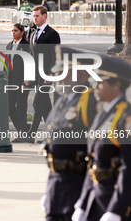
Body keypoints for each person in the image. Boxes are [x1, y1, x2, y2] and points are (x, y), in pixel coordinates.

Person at [72, 55, 131, 221]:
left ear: (117, 84)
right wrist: (82, 204)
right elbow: (92, 163)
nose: (95, 86)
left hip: (114, 201)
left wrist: (116, 210)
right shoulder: (102, 115)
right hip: (96, 198)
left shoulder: (125, 118)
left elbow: (128, 169)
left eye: (100, 82)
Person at [42, 47, 97, 221]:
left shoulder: (91, 102)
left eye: (63, 70)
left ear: (80, 72)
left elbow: (98, 154)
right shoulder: (65, 99)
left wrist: (85, 200)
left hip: (77, 188)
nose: (58, 73)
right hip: (57, 188)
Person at [25, 5, 61, 142]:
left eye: (37, 16)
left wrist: (51, 75)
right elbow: (30, 55)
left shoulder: (52, 34)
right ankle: (54, 135)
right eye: (33, 16)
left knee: (37, 102)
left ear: (44, 16)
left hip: (46, 75)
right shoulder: (33, 33)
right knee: (45, 106)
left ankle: (30, 134)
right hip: (35, 74)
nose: (35, 18)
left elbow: (55, 56)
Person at [6, 24, 30, 138]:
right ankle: (24, 128)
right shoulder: (9, 45)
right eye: (12, 31)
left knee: (21, 107)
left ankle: (22, 133)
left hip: (21, 81)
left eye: (15, 31)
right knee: (10, 107)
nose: (13, 32)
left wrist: (27, 80)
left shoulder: (26, 45)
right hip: (10, 81)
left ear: (21, 32)